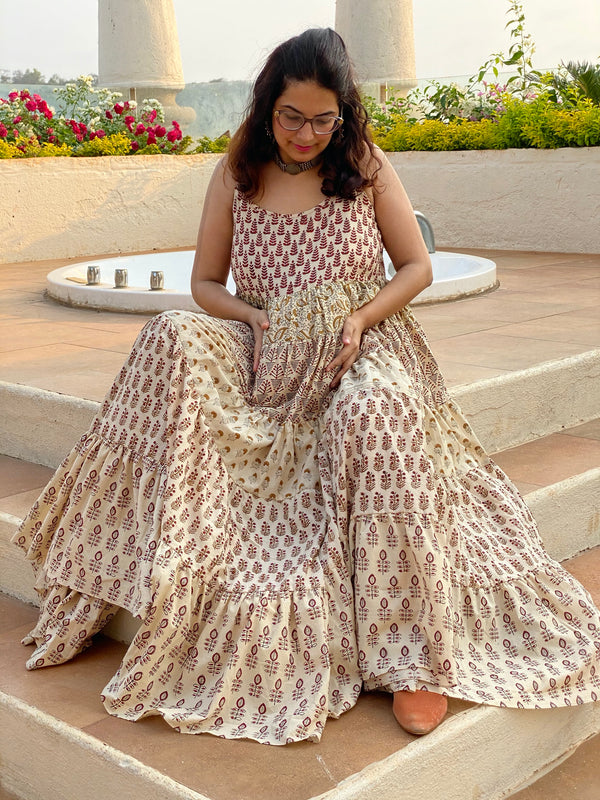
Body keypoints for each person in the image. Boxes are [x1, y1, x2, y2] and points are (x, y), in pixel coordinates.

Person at [14, 28, 600, 745]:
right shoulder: (237, 172)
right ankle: (123, 562)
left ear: (343, 115)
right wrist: (252, 319)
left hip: (363, 341)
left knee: (376, 412)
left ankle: (414, 655)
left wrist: (360, 319)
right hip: (265, 346)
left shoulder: (365, 164)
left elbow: (416, 266)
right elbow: (205, 284)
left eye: (324, 119)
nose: (306, 134)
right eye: (292, 116)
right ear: (268, 105)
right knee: (168, 336)